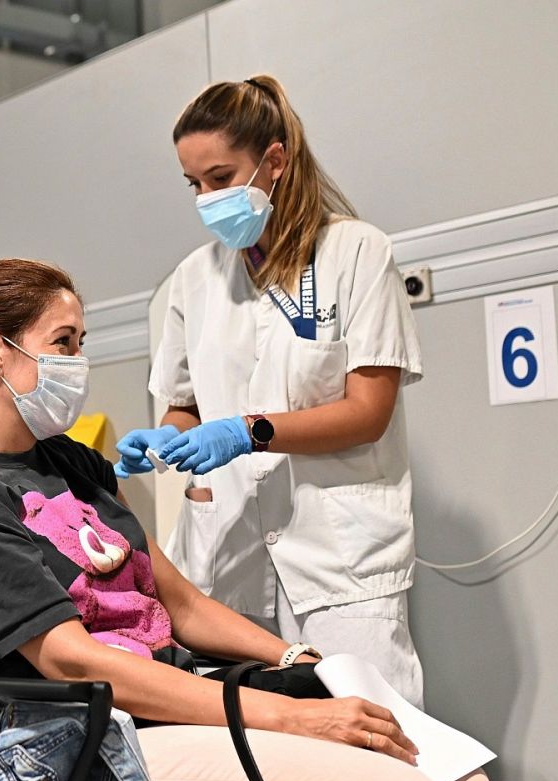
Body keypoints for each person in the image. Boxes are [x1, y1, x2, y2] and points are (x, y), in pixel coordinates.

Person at [0, 259, 495, 781]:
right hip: (92, 747)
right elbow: (76, 663)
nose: (77, 363)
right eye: (61, 343)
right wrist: (288, 718)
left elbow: (178, 602)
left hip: (164, 718)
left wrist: (297, 658)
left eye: (80, 344)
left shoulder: (69, 463)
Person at [115, 75, 428, 707]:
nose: (206, 198)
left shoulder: (355, 253)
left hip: (340, 564)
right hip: (224, 562)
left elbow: (368, 413)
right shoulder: (192, 280)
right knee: (262, 759)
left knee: (379, 742)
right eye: (194, 184)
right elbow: (187, 405)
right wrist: (164, 438)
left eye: (221, 177)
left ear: (275, 161)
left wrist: (247, 431)